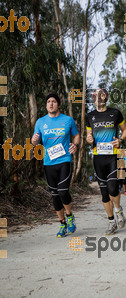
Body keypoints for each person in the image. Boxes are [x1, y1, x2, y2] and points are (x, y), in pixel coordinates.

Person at [31, 92, 80, 238]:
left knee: (63, 191)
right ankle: (62, 223)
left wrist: (75, 145)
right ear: (46, 105)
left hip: (64, 160)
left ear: (58, 104)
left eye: (53, 101)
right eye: (48, 102)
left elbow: (76, 135)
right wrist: (34, 140)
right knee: (55, 195)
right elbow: (35, 142)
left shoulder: (68, 120)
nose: (51, 104)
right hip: (48, 162)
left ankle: (70, 215)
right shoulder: (40, 122)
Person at [86, 89, 126, 235]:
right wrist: (89, 139)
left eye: (102, 94)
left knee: (112, 188)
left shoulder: (115, 113)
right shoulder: (90, 116)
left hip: (113, 156)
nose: (99, 96)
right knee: (104, 193)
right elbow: (88, 135)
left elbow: (125, 130)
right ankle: (112, 222)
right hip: (98, 157)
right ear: (93, 98)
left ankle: (118, 210)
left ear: (106, 97)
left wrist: (120, 140)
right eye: (96, 95)